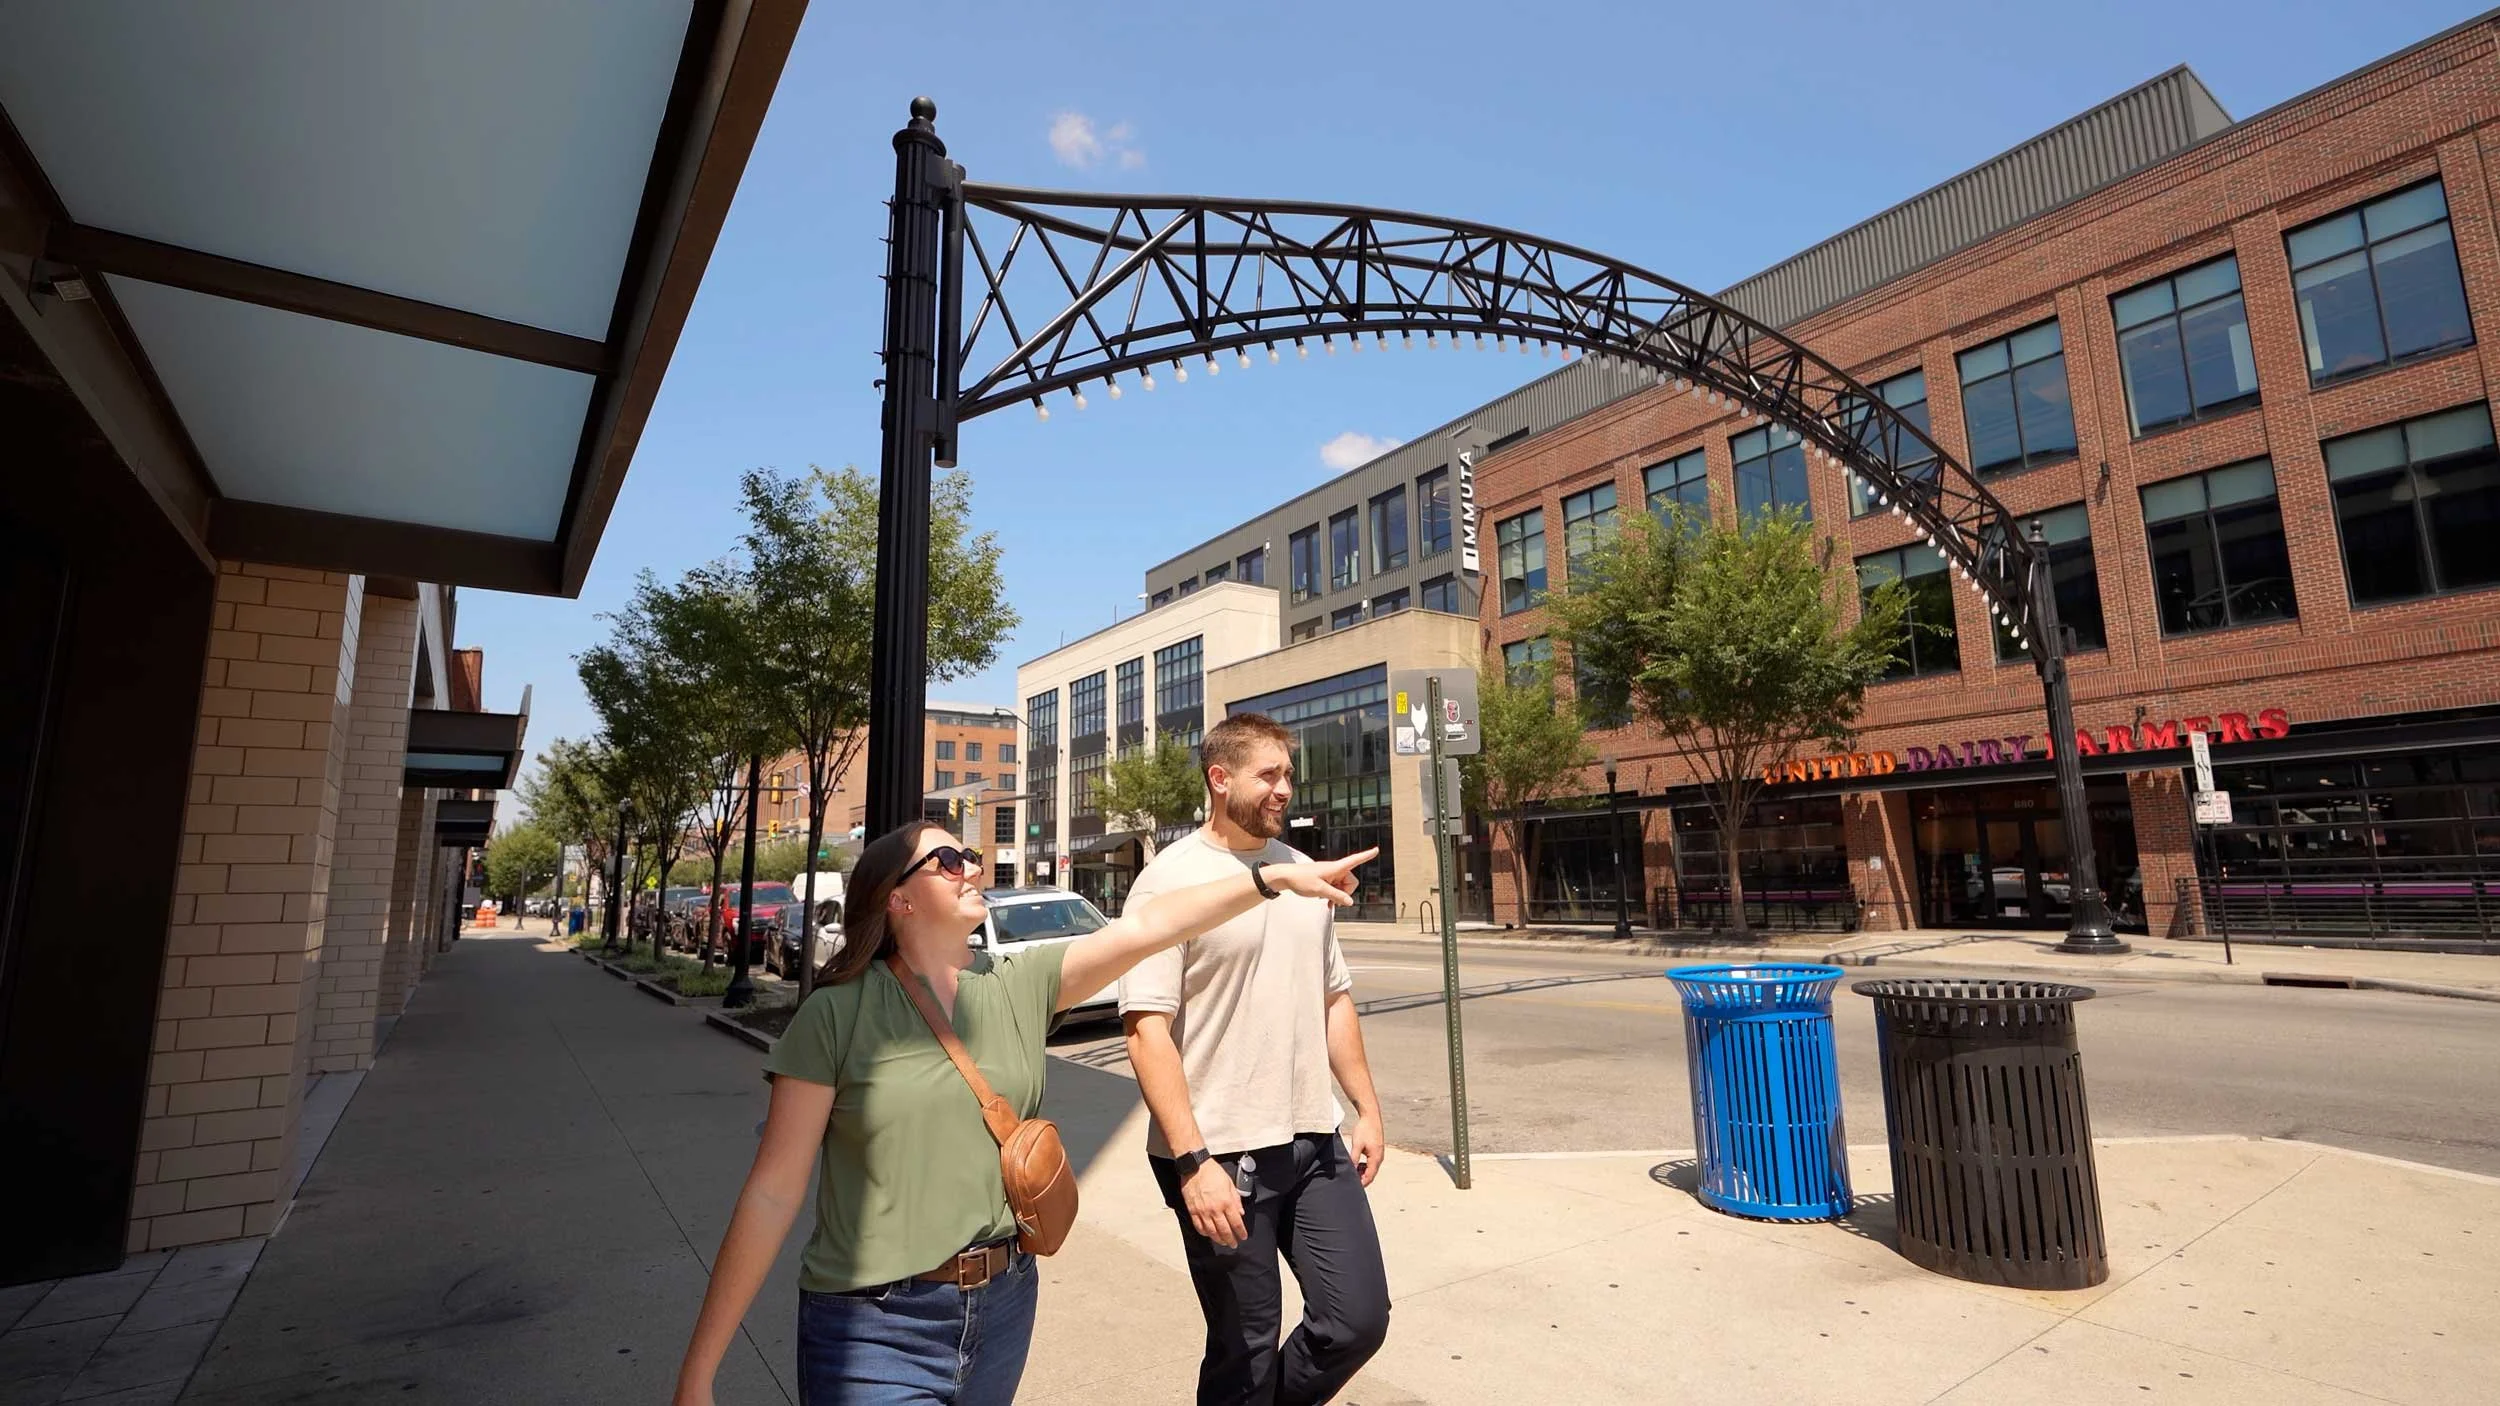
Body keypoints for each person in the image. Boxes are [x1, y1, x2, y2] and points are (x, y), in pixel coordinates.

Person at [672, 819, 1375, 1406]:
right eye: (947, 860)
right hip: (873, 1325)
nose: (971, 866)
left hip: (1003, 1305)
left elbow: (1152, 925)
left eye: (970, 854)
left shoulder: (1019, 983)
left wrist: (1269, 880)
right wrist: (701, 1371)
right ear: (898, 899)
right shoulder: (836, 1016)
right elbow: (772, 1193)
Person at [1119, 712, 1393, 1406]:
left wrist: (1366, 1107)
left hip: (1312, 1139)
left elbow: (1333, 998)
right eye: (1268, 774)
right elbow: (1147, 1029)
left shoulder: (1301, 870)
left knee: (1356, 1319)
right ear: (1220, 779)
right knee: (1243, 1347)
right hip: (1219, 1155)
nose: (1284, 790)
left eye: (1288, 776)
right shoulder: (1168, 880)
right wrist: (1191, 1162)